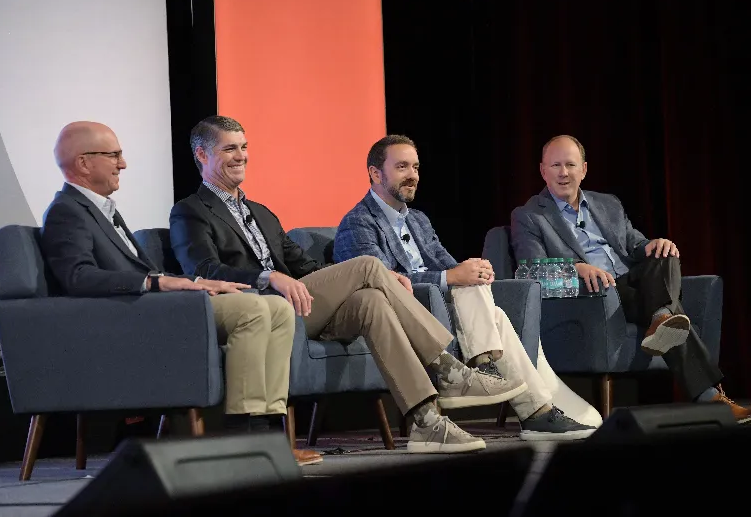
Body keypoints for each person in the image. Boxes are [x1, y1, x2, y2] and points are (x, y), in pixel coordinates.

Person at [169, 115, 530, 453]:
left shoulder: (261, 213)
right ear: (202, 155)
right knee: (370, 265)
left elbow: (307, 266)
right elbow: (203, 269)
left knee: (372, 300)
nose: (241, 156)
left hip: (303, 307)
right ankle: (447, 368)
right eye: (230, 148)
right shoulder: (190, 211)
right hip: (260, 308)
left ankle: (427, 422)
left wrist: (371, 279)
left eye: (244, 147)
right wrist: (268, 276)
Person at [40, 121, 323, 466]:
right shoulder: (67, 211)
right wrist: (157, 283)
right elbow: (77, 277)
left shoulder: (101, 209)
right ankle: (243, 440)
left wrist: (196, 282)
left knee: (277, 310)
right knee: (252, 309)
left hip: (157, 306)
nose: (122, 164)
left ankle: (267, 435)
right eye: (113, 155)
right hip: (132, 316)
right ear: (84, 163)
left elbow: (141, 273)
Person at [333, 134, 601, 440]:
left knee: (488, 302)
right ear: (375, 173)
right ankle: (511, 390)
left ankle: (527, 404)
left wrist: (475, 270)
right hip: (402, 311)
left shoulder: (418, 220)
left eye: (416, 168)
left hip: (439, 307)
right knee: (476, 295)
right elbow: (383, 283)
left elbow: (449, 265)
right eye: (402, 167)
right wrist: (451, 277)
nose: (412, 176)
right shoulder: (358, 223)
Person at [510, 134, 750, 423]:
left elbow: (635, 245)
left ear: (583, 169)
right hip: (594, 296)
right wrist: (576, 268)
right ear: (542, 171)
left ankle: (662, 319)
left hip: (634, 286)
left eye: (570, 165)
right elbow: (532, 269)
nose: (564, 173)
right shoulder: (529, 215)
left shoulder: (607, 204)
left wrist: (653, 244)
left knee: (665, 254)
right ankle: (707, 390)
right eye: (556, 165)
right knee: (671, 310)